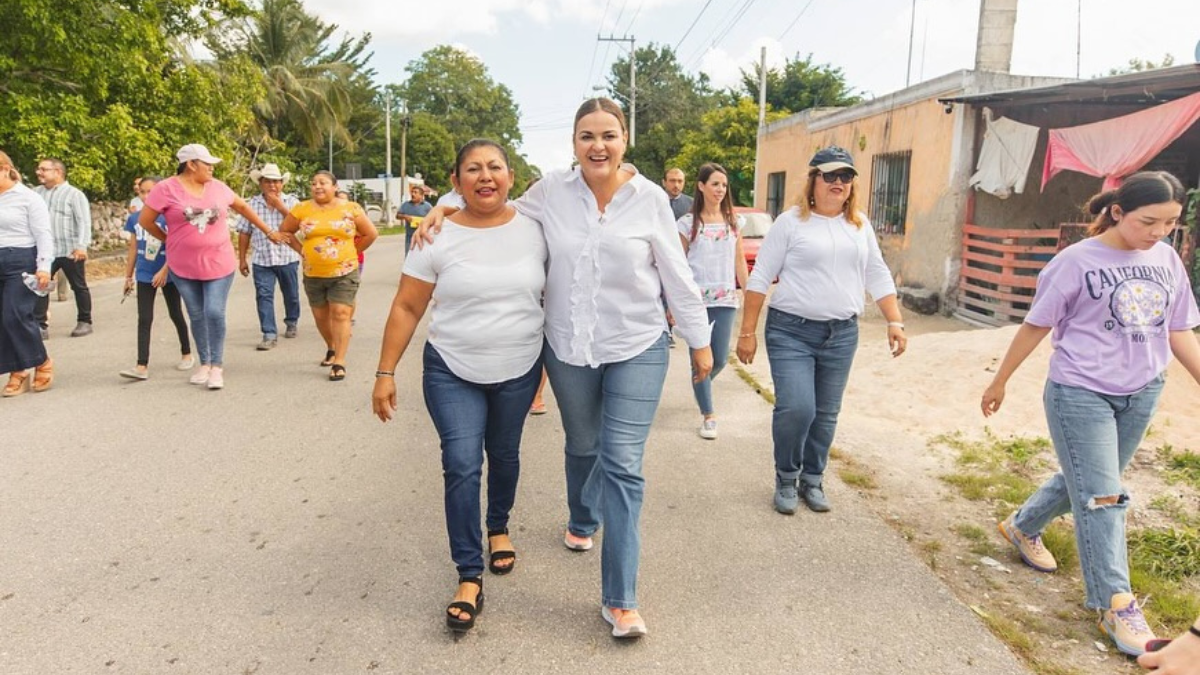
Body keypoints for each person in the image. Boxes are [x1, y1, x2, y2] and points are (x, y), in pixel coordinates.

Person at [419, 98, 713, 639]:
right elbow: (490, 202)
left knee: (622, 462)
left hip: (636, 344)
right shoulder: (551, 191)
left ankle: (620, 599)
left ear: (625, 139)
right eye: (586, 136)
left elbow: (677, 273)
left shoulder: (650, 200)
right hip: (569, 348)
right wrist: (441, 206)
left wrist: (699, 342)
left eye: (608, 135)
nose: (597, 146)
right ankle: (582, 518)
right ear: (573, 143)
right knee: (582, 445)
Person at [981, 171, 1200, 657]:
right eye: (1149, 221)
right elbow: (1036, 325)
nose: (1159, 232)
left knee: (1090, 480)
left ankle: (1022, 525)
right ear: (1118, 212)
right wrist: (1001, 380)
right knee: (1104, 496)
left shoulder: (1165, 258)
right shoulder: (1075, 262)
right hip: (1080, 391)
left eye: (1170, 223)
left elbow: (1179, 329)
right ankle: (1115, 606)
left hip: (1142, 390)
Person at [373, 139, 546, 634]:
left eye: (495, 167)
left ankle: (499, 527)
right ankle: (469, 574)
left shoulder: (536, 228)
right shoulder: (436, 235)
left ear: (511, 176)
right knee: (462, 463)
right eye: (473, 169)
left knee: (505, 454)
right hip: (451, 367)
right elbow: (407, 307)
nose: (485, 176)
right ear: (456, 181)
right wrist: (385, 372)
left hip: (519, 367)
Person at [736, 146, 906, 515]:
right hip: (790, 332)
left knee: (826, 413)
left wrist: (894, 320)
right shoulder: (790, 223)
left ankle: (812, 479)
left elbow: (876, 272)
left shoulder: (858, 225)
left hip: (841, 334)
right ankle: (786, 476)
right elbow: (761, 276)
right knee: (797, 408)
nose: (838, 183)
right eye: (830, 175)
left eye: (846, 177)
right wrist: (747, 332)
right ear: (813, 180)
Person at [139, 143, 285, 390]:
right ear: (191, 164)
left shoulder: (217, 187)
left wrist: (268, 230)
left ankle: (217, 365)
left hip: (219, 262)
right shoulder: (165, 189)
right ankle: (204, 362)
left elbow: (243, 207)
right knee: (196, 313)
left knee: (214, 312)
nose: (211, 169)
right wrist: (169, 240)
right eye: (207, 164)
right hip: (183, 266)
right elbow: (146, 221)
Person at [278, 171, 377, 381]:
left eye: (323, 183)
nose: (317, 187)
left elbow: (371, 233)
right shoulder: (301, 209)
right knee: (321, 317)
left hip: (344, 272)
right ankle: (331, 347)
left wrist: (353, 251)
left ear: (335, 186)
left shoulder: (351, 208)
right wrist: (302, 250)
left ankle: (340, 361)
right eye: (313, 183)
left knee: (340, 313)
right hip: (313, 273)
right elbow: (285, 231)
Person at [677, 162, 749, 440]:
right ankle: (708, 415)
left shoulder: (734, 222)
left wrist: (749, 292)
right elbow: (678, 265)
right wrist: (673, 303)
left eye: (723, 184)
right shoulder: (686, 224)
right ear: (701, 186)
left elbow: (739, 260)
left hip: (725, 298)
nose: (720, 189)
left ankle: (700, 383)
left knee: (719, 359)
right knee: (701, 362)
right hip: (695, 302)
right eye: (715, 184)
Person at [119, 177, 193, 380]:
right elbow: (133, 248)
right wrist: (128, 276)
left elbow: (178, 245)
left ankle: (186, 353)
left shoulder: (169, 216)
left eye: (150, 192)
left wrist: (165, 270)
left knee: (175, 313)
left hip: (169, 272)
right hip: (144, 273)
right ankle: (141, 365)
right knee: (144, 318)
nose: (145, 196)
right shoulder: (135, 219)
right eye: (142, 192)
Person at [0, 150, 54, 396]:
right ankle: (18, 369)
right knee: (3, 320)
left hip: (20, 258)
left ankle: (41, 360)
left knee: (16, 315)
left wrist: (44, 267)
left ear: (4, 169)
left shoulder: (27, 197)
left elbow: (43, 234)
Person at [236, 163, 302, 350]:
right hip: (262, 259)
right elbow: (243, 232)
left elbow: (300, 225)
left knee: (291, 294)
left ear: (282, 184)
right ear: (261, 184)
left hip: (287, 257)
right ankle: (269, 333)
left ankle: (291, 320)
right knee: (264, 295)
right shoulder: (251, 204)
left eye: (276, 182)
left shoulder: (292, 202)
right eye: (268, 182)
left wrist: (281, 207)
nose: (272, 186)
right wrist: (242, 259)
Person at [32, 157, 93, 338]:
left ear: (57, 172)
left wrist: (82, 246)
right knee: (41, 286)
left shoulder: (74, 194)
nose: (39, 172)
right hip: (45, 251)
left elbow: (83, 221)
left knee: (79, 286)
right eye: (39, 169)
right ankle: (40, 325)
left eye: (43, 169)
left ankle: (84, 321)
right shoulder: (35, 193)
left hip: (69, 250)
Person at [397, 184, 431, 254]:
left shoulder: (427, 206)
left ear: (421, 195)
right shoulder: (406, 204)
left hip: (423, 237)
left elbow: (433, 218)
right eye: (412, 192)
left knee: (422, 257)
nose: (413, 194)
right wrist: (405, 216)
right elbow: (397, 216)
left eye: (415, 192)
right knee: (409, 257)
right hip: (409, 237)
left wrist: (424, 222)